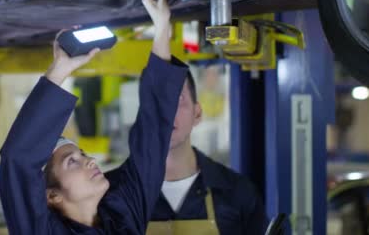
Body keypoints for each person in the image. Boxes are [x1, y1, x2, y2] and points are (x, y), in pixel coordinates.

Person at [0, 0, 189, 234]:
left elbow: (19, 161)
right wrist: (162, 26)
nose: (89, 161)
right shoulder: (125, 217)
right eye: (78, 159)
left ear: (52, 196)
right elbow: (153, 140)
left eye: (74, 161)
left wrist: (61, 69)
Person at [107, 66, 269, 234]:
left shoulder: (238, 195)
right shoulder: (111, 194)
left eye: (177, 100)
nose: (166, 113)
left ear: (197, 113)